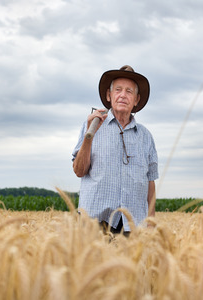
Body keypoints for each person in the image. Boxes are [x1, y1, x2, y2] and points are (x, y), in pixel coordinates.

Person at [72, 65, 158, 235]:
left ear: (136, 99)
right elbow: (79, 170)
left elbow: (150, 182)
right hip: (93, 224)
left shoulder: (145, 136)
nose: (123, 95)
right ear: (109, 95)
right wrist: (89, 136)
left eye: (129, 91)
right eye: (118, 90)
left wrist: (151, 222)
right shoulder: (91, 125)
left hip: (132, 228)